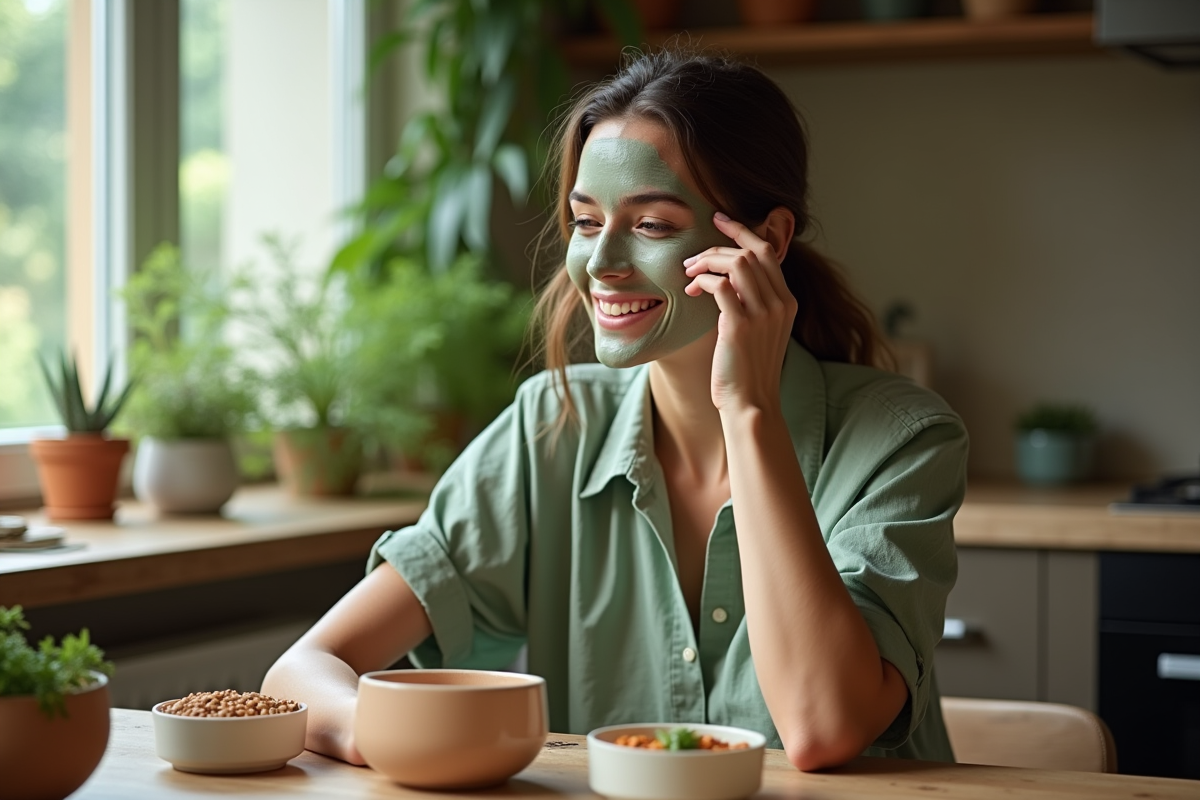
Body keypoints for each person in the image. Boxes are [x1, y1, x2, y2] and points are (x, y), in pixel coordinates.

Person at [262, 47, 968, 772]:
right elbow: (302, 671)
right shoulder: (550, 429)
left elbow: (823, 728)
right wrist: (373, 731)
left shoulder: (901, 440)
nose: (599, 264)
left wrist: (748, 410)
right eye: (586, 221)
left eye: (653, 224)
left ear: (768, 243)